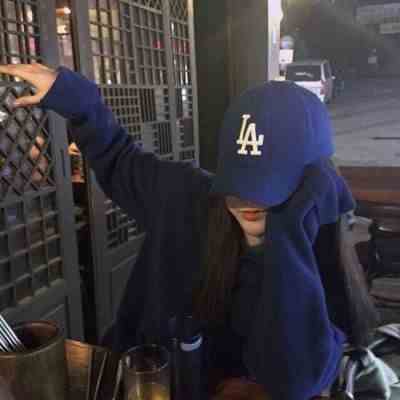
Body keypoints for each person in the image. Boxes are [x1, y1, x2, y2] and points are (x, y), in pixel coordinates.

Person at [0, 63, 378, 400]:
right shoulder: (188, 198)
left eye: (270, 185)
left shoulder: (321, 268)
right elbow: (120, 159)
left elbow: (293, 381)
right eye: (240, 180)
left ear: (315, 189)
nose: (247, 200)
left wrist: (289, 233)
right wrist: (80, 102)